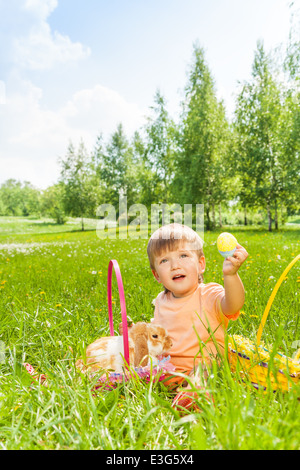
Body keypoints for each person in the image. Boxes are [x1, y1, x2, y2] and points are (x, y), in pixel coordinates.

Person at [147, 223, 248, 412]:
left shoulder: (208, 294)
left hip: (203, 367)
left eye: (183, 256)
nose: (175, 265)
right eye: (164, 261)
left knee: (201, 372)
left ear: (200, 264)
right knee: (141, 364)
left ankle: (194, 394)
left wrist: (231, 275)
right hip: (167, 369)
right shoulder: (161, 301)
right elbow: (157, 335)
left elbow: (233, 305)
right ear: (157, 275)